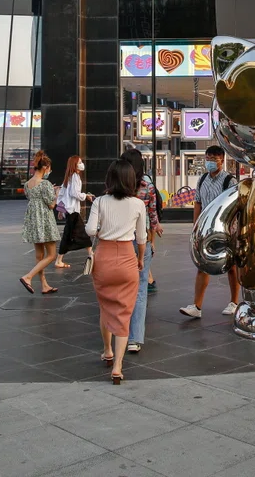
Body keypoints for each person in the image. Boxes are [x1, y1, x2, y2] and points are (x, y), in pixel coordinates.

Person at [86, 160, 148, 384]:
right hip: (127, 258)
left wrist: (104, 229)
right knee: (123, 312)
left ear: (109, 178)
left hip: (104, 258)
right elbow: (142, 238)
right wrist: (140, 259)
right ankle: (118, 367)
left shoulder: (100, 201)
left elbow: (90, 230)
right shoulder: (138, 204)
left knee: (106, 307)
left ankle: (107, 351)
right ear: (131, 180)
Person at [180, 145, 240, 319]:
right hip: (206, 230)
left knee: (232, 266)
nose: (210, 162)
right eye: (208, 158)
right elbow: (198, 202)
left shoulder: (230, 181)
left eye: (214, 159)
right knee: (202, 265)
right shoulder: (202, 179)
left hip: (226, 230)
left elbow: (235, 206)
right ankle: (196, 306)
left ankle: (234, 302)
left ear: (222, 160)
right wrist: (195, 226)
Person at [119, 149, 164, 354]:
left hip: (119, 240)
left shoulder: (118, 184)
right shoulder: (147, 185)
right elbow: (152, 212)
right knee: (140, 289)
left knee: (120, 288)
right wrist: (155, 229)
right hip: (140, 240)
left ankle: (118, 331)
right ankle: (134, 338)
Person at [19, 150, 61, 295]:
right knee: (51, 255)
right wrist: (56, 193)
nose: (49, 171)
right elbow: (51, 205)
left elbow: (31, 198)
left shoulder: (27, 184)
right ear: (45, 167)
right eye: (49, 168)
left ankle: (44, 285)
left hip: (33, 221)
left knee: (39, 255)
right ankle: (28, 277)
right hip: (45, 221)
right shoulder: (45, 184)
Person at [53, 155, 94, 269]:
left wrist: (61, 210)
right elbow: (74, 194)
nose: (81, 164)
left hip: (69, 210)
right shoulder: (75, 176)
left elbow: (61, 195)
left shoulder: (68, 177)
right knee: (77, 233)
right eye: (79, 162)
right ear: (74, 165)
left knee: (71, 234)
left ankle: (60, 259)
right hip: (73, 211)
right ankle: (91, 254)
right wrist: (85, 196)